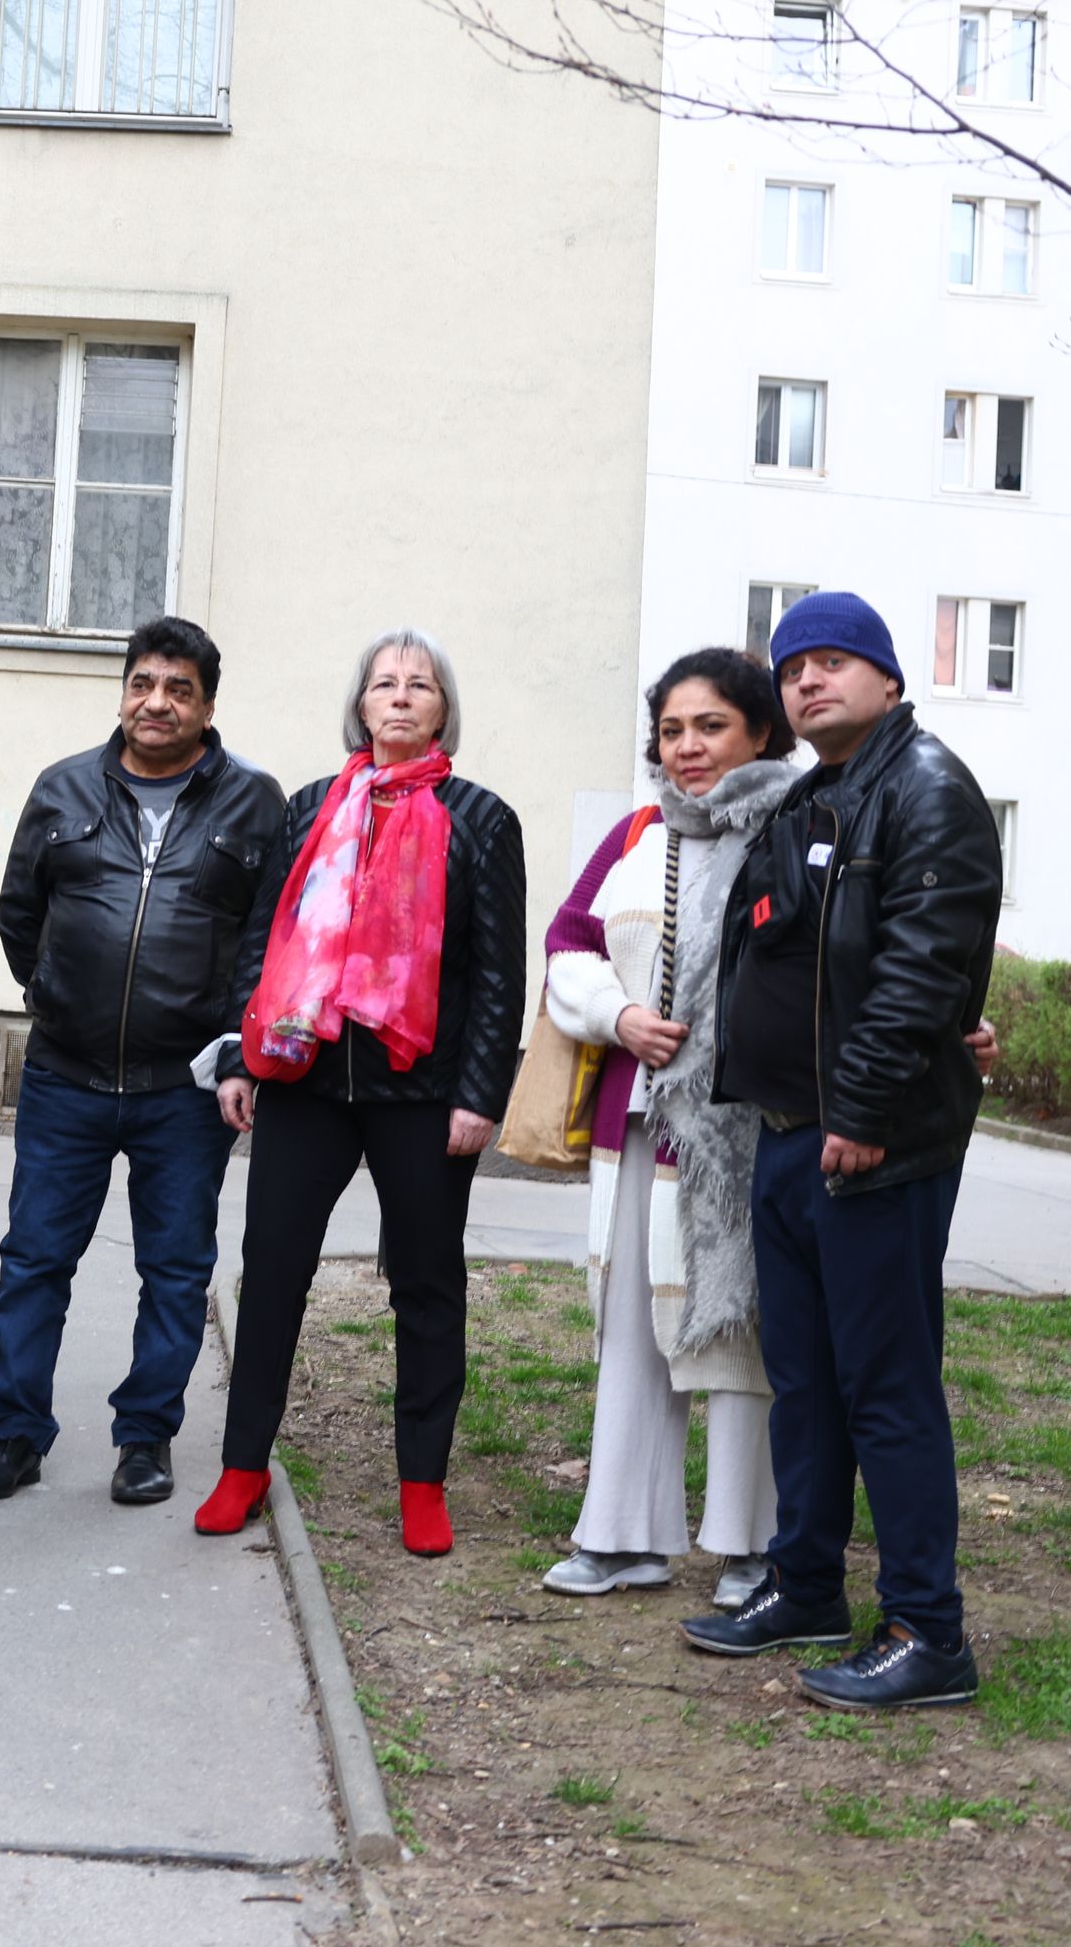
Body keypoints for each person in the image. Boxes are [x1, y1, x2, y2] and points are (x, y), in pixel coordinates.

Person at [680, 592, 1005, 1711]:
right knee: (806, 1382)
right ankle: (805, 1580)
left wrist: (860, 1114)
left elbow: (920, 970)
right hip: (785, 1134)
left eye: (834, 661)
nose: (810, 680)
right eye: (795, 666)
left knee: (886, 1386)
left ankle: (928, 1630)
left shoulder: (927, 791)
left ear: (888, 679)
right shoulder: (815, 796)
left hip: (870, 1143)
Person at [199, 630, 525, 1555]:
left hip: (423, 1092)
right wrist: (238, 1058)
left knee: (426, 1285)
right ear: (362, 702)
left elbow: (498, 970)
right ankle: (242, 1467)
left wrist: (479, 1093)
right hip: (305, 1081)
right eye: (385, 682)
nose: (401, 696)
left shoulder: (481, 817)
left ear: (441, 708)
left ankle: (423, 1482)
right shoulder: (310, 808)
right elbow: (263, 942)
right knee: (271, 1277)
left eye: (419, 685)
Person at [0, 616, 287, 1510]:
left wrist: (233, 1053)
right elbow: (18, 913)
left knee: (176, 1269)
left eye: (179, 688)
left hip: (183, 1087)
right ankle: (14, 1435)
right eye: (144, 682)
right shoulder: (63, 787)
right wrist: (55, 995)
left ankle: (145, 1437)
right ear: (123, 691)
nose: (157, 701)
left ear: (207, 705)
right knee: (33, 1259)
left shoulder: (254, 803)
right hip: (65, 1075)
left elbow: (263, 943)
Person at [533, 648, 798, 1606]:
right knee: (634, 1330)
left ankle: (750, 1545)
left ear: (762, 731)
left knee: (738, 1326)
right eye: (673, 728)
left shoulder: (799, 827)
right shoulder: (638, 833)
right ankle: (622, 1536)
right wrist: (619, 1016)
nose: (688, 747)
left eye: (712, 725)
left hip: (747, 1132)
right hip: (641, 1121)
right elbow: (568, 940)